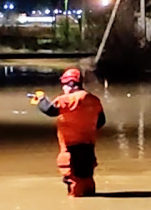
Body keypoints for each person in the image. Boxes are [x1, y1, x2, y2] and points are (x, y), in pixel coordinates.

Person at [32, 68, 106, 197]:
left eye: (64, 85)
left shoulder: (69, 99)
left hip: (71, 147)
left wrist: (40, 99)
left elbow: (50, 110)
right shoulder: (94, 100)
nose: (63, 88)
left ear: (71, 84)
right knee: (86, 177)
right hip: (88, 146)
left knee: (73, 181)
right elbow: (101, 121)